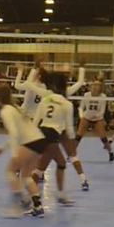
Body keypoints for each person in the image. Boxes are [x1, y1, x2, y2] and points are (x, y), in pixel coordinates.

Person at [0, 84, 47, 218]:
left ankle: (17, 207)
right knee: (26, 176)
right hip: (40, 141)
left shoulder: (6, 111)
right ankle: (37, 206)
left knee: (10, 171)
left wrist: (14, 154)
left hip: (30, 142)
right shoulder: (15, 108)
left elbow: (14, 133)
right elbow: (19, 132)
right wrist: (3, 148)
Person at [31, 73, 77, 207]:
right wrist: (73, 146)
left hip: (41, 133)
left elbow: (35, 122)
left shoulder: (45, 100)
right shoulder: (67, 104)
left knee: (61, 163)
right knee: (40, 169)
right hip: (51, 136)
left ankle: (61, 195)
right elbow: (69, 128)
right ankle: (28, 196)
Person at [76, 80, 114, 162]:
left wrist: (97, 116)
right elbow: (81, 107)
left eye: (97, 85)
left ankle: (111, 152)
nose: (95, 86)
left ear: (100, 87)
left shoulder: (103, 96)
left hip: (97, 118)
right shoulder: (86, 95)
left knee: (103, 138)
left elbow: (102, 110)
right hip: (86, 117)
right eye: (93, 85)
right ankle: (71, 154)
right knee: (78, 136)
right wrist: (81, 116)